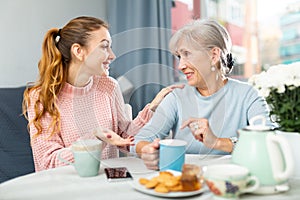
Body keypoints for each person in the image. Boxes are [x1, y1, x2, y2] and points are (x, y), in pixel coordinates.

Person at [23, 16, 184, 171]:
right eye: (104, 46)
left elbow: (125, 138)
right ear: (79, 51)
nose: (112, 55)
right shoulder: (40, 97)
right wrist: (94, 138)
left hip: (108, 181)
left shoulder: (109, 86)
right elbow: (48, 163)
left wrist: (153, 108)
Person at [132, 19, 275, 170]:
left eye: (187, 54)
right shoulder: (176, 97)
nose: (181, 66)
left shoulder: (247, 95)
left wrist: (218, 142)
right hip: (189, 182)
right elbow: (140, 140)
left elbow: (270, 140)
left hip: (231, 180)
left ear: (213, 55)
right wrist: (148, 150)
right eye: (179, 57)